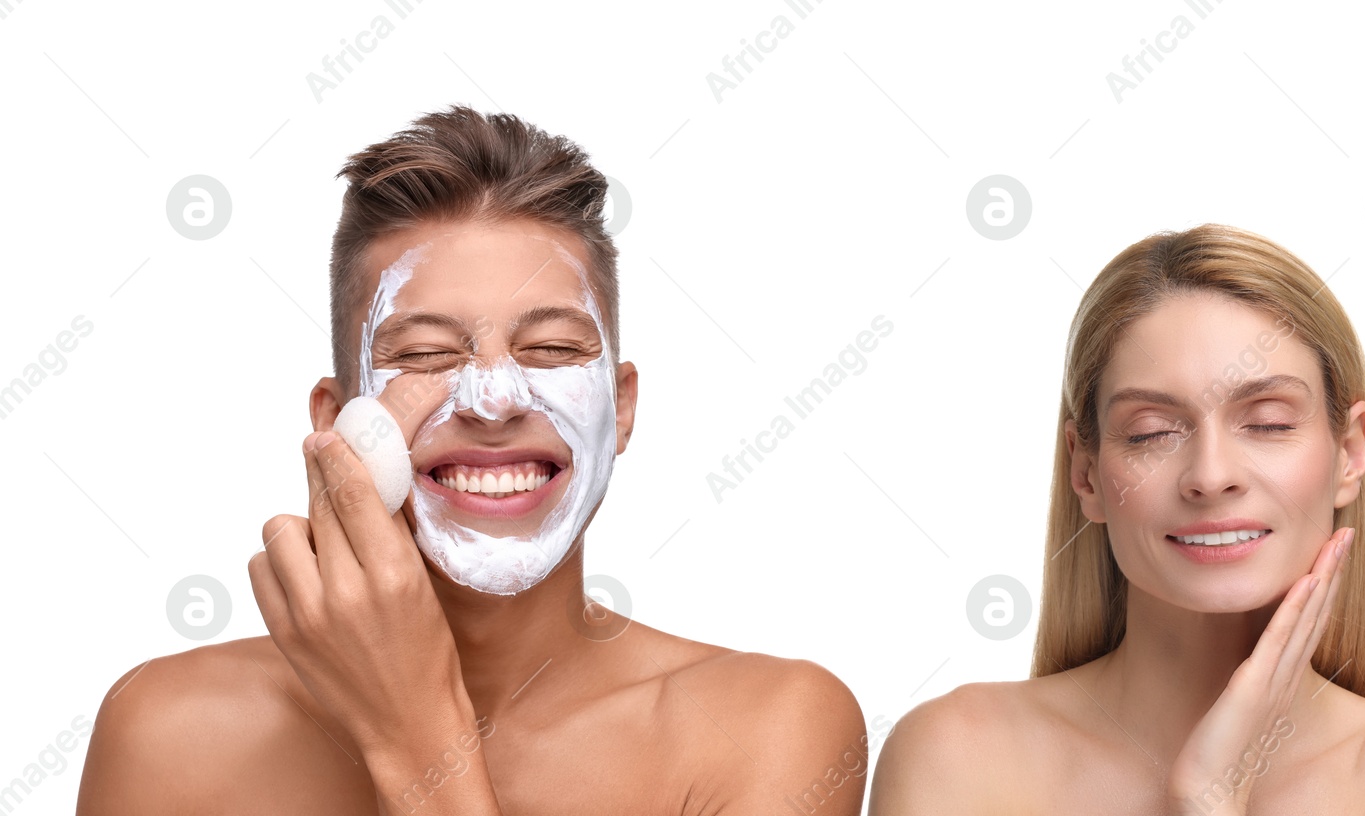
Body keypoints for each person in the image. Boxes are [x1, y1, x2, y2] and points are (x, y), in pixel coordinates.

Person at [78, 105, 867, 815]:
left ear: (621, 407)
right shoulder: (172, 734)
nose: (493, 396)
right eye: (424, 355)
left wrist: (417, 740)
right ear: (335, 422)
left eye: (554, 347)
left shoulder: (768, 728)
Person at [868, 224, 1365, 814]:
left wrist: (1209, 798)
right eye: (1152, 432)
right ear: (1087, 474)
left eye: (1267, 422)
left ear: (1349, 454)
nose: (1210, 475)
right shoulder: (956, 758)